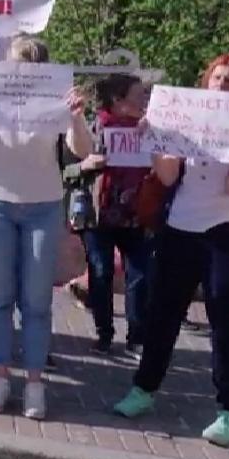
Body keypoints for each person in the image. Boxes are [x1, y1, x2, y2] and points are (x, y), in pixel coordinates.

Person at [113, 54, 229, 448]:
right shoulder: (189, 117)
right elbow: (167, 175)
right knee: (162, 316)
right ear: (206, 81)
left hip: (222, 233)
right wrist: (156, 139)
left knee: (227, 324)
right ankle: (143, 390)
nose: (222, 86)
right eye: (217, 78)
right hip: (179, 230)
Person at [0, 35, 92, 420]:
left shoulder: (55, 98)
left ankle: (33, 384)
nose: (18, 72)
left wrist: (77, 115)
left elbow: (82, 149)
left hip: (43, 205)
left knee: (36, 300)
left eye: (26, 65)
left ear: (42, 70)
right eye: (13, 64)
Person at [70, 74, 151, 357]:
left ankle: (137, 337)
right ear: (118, 100)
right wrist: (87, 164)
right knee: (101, 272)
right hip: (98, 214)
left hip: (135, 214)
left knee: (140, 275)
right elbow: (69, 166)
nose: (145, 100)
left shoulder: (148, 129)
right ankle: (104, 333)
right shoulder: (95, 126)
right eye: (139, 95)